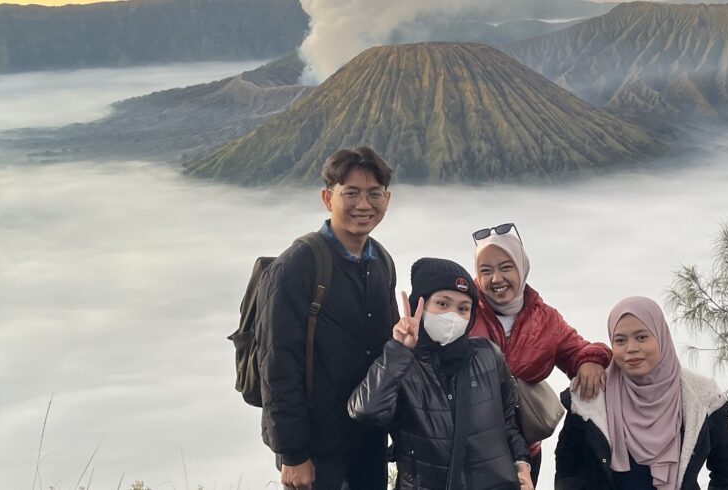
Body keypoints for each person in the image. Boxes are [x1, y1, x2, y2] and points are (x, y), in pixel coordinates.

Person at [256, 147, 397, 490]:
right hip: (316, 449)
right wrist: (293, 454)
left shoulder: (381, 262)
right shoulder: (297, 266)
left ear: (387, 199)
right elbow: (277, 364)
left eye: (374, 194)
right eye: (351, 193)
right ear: (327, 197)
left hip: (368, 443)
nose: (363, 204)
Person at [348, 258, 533, 490]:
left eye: (463, 308)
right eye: (442, 304)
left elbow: (507, 422)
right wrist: (399, 350)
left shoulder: (488, 355)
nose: (453, 315)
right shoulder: (401, 363)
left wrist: (522, 463)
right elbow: (366, 411)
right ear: (420, 305)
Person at [554, 296, 728, 490]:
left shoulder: (701, 398)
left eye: (641, 337)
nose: (631, 348)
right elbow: (568, 471)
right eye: (620, 340)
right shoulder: (590, 398)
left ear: (661, 336)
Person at [470, 223, 612, 483]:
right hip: (468, 448)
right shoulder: (464, 310)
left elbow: (578, 350)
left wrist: (591, 360)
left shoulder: (545, 319)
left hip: (524, 451)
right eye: (486, 271)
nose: (496, 279)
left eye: (506, 267)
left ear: (522, 267)